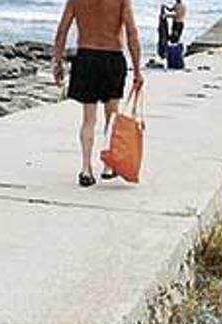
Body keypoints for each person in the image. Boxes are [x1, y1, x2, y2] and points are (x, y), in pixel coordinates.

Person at [52, 0, 144, 187]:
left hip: (86, 58)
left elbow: (62, 30)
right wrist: (137, 70)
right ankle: (108, 167)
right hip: (112, 58)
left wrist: (57, 62)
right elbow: (131, 32)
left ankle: (86, 169)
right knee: (111, 117)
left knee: (88, 119)